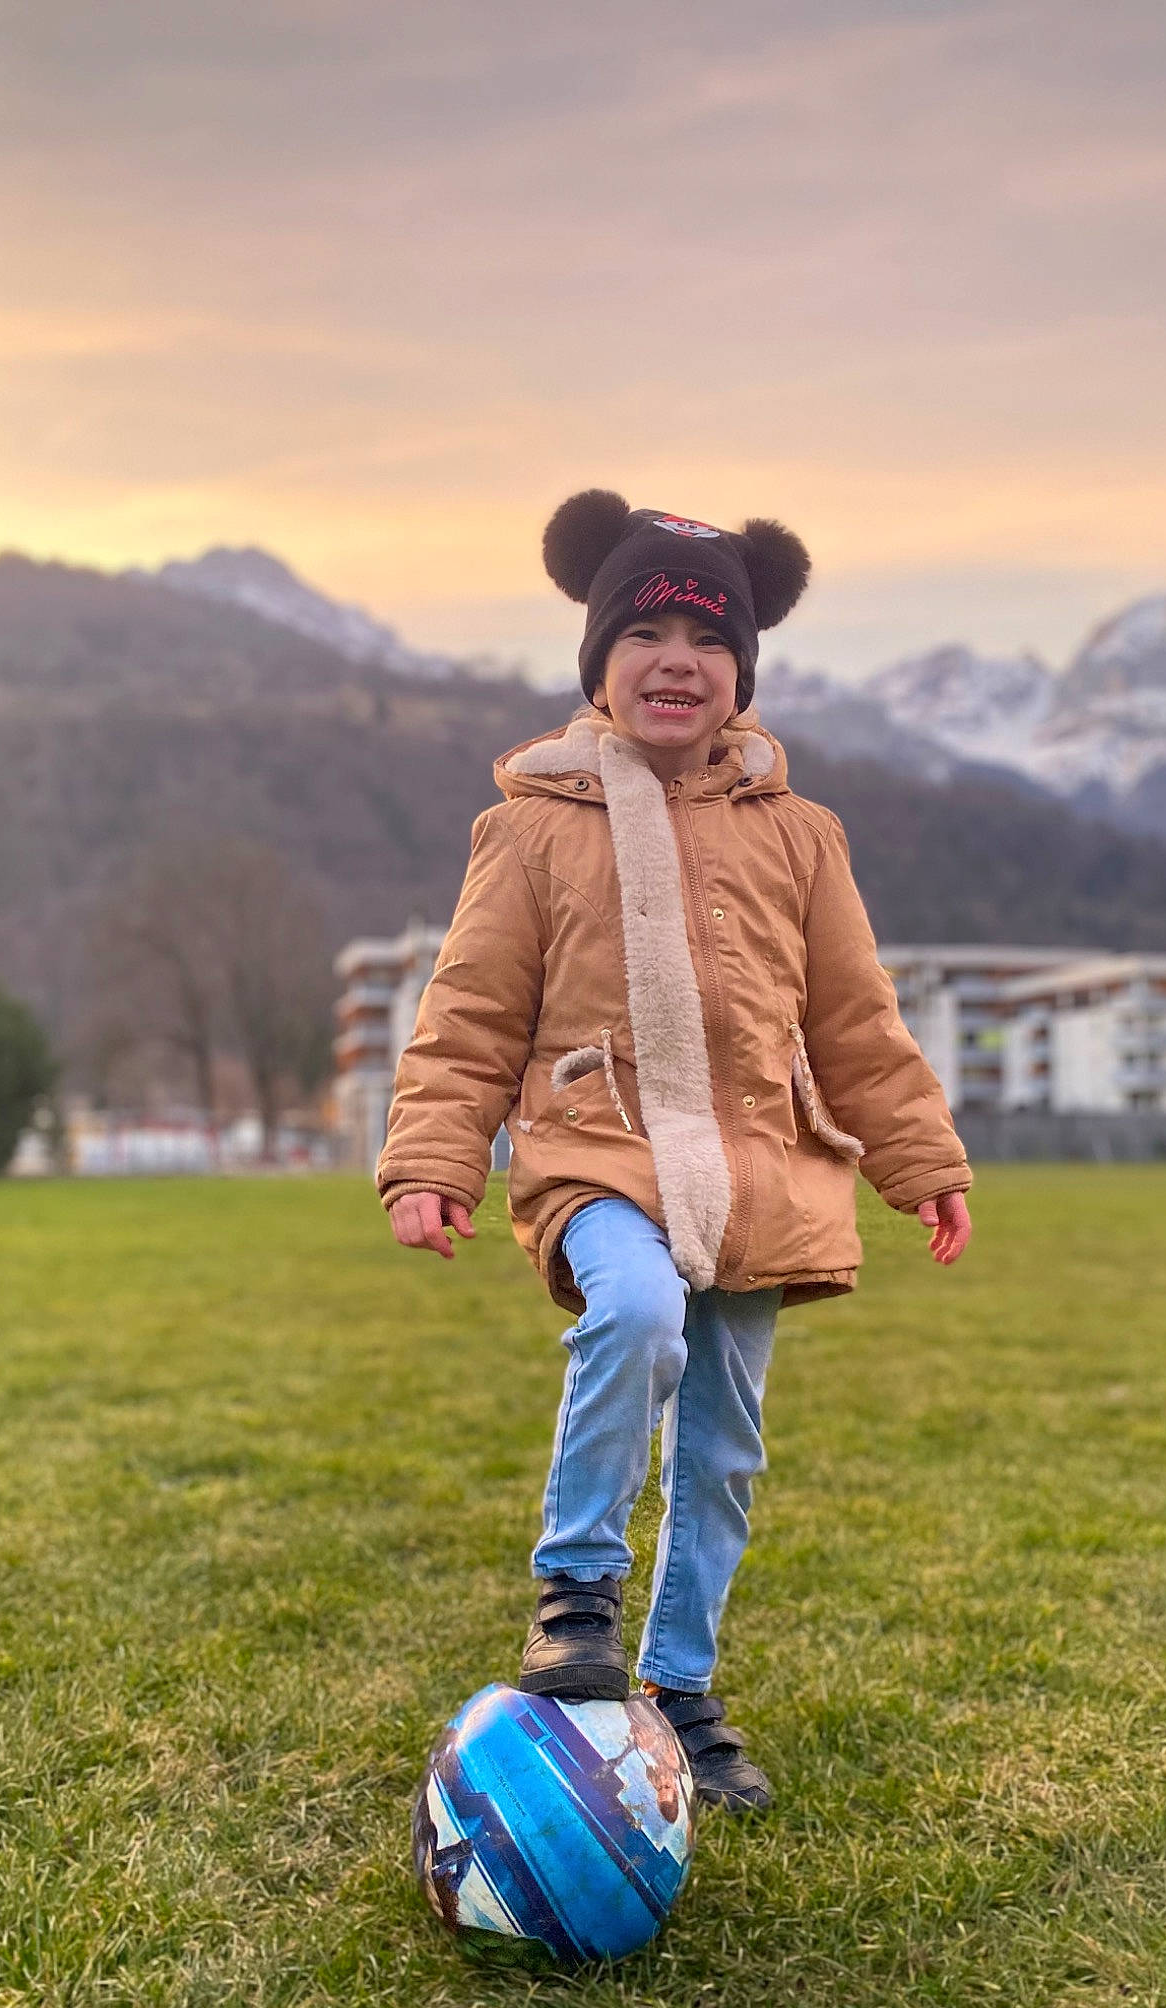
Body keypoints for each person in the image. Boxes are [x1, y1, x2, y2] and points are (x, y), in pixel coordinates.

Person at [380, 491, 972, 1813]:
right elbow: (470, 1011)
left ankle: (684, 1693)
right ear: (598, 660)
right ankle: (576, 1596)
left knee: (721, 1451)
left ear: (741, 676)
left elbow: (856, 1019)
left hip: (761, 1162)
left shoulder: (800, 835)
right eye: (643, 627)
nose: (676, 658)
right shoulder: (531, 827)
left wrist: (921, 1158)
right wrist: (432, 1159)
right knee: (637, 1312)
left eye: (707, 639)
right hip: (600, 1144)